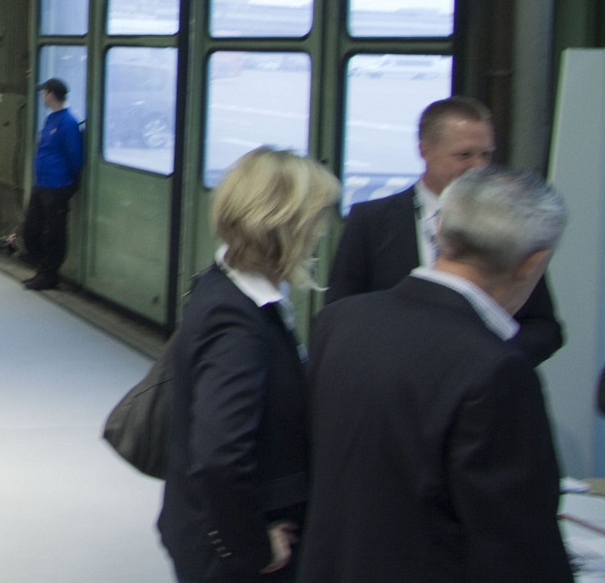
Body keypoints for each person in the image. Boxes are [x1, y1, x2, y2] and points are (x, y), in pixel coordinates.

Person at [299, 167, 571, 583]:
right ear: (532, 263)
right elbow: (516, 544)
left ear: (440, 229)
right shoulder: (494, 369)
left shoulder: (341, 322)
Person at [160, 147, 337, 583]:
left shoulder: (221, 286)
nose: (320, 231)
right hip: (237, 559)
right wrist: (251, 544)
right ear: (286, 225)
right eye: (315, 218)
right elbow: (219, 456)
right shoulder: (238, 322)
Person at [326, 95, 561, 364]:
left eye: (486, 154)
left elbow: (544, 327)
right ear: (425, 151)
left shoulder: (510, 223)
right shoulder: (371, 221)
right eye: (464, 155)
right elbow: (339, 313)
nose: (479, 167)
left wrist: (488, 356)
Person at [19, 78, 85, 290]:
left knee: (53, 233)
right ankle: (42, 269)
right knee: (31, 230)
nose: (42, 96)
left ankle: (49, 274)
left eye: (44, 92)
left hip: (58, 186)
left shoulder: (68, 122)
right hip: (42, 184)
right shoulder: (50, 119)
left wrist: (68, 182)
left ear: (51, 94)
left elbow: (75, 157)